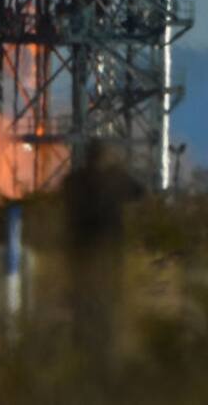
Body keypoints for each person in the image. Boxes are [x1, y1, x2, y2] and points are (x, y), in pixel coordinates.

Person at [62, 139, 143, 361]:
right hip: (109, 250)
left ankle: (81, 346)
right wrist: (119, 168)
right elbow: (139, 192)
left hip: (79, 250)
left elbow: (64, 195)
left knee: (81, 300)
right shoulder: (115, 179)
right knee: (108, 299)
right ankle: (105, 345)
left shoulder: (73, 180)